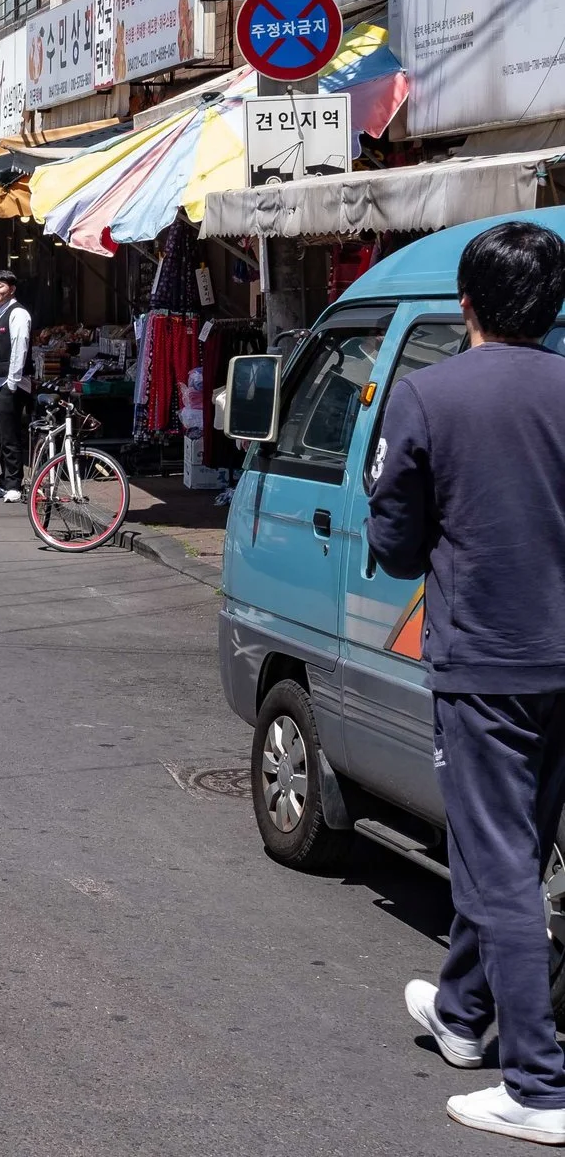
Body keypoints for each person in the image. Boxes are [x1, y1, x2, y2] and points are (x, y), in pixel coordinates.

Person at [368, 221, 565, 1145]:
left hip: (487, 661)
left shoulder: (428, 393)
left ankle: (536, 1082)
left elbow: (394, 535)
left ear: (467, 305)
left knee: (499, 865)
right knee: (515, 850)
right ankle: (459, 1012)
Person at [0, 269, 35, 499]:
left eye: (0, 286)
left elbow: (20, 345)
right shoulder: (1, 313)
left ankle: (14, 485)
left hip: (9, 384)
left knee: (10, 435)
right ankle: (5, 481)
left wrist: (12, 382)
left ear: (11, 289)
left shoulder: (18, 313)